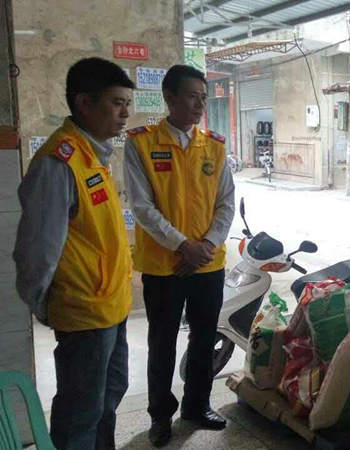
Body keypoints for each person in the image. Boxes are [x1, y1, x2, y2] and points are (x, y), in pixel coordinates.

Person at [13, 57, 134, 449]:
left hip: (111, 308)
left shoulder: (93, 155)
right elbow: (37, 248)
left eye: (127, 103)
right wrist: (45, 304)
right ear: (84, 103)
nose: (125, 113)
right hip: (84, 313)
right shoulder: (59, 162)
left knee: (108, 397)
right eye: (116, 103)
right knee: (81, 412)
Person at [124, 65, 235, 447]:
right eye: (192, 96)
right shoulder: (141, 143)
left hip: (208, 263)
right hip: (164, 265)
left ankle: (197, 406)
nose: (200, 105)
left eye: (203, 97)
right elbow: (142, 206)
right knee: (162, 343)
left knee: (204, 339)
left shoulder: (215, 145)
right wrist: (182, 245)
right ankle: (160, 416)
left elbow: (226, 203)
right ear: (169, 98)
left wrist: (206, 245)